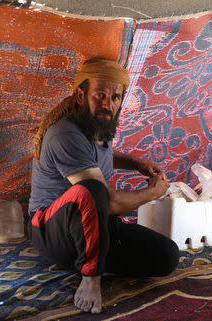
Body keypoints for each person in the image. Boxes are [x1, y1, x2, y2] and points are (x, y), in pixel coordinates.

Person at [28, 58, 179, 314]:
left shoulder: (98, 125)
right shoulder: (65, 134)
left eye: (115, 97)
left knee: (166, 256)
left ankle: (95, 252)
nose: (108, 104)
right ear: (80, 94)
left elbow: (96, 156)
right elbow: (108, 202)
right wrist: (151, 194)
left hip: (91, 226)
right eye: (100, 95)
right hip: (51, 230)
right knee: (93, 190)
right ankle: (90, 277)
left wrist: (136, 163)